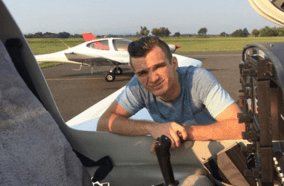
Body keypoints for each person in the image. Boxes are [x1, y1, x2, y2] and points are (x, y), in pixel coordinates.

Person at [97, 36, 244, 152]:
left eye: (159, 67)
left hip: (215, 150)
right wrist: (151, 127)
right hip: (179, 155)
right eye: (143, 72)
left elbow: (240, 127)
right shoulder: (138, 85)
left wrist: (182, 132)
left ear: (174, 63)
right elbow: (104, 123)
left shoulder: (198, 79)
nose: (153, 78)